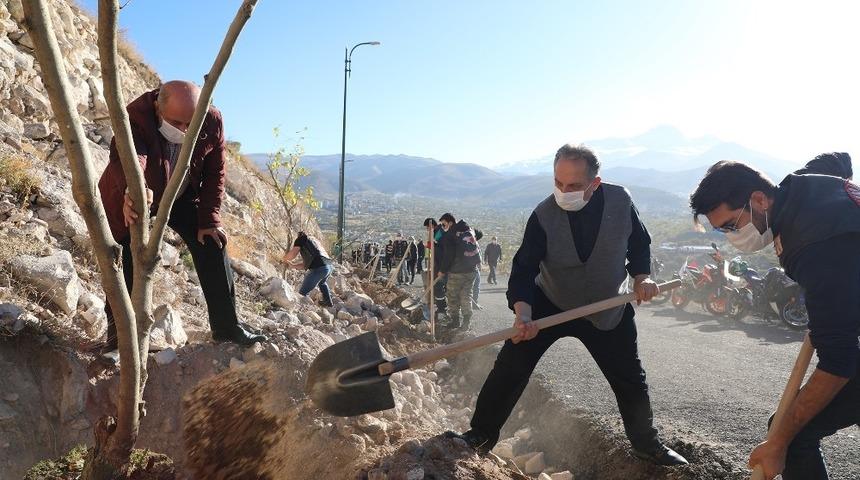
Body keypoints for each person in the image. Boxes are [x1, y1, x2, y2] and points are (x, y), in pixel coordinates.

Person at [448, 144, 687, 466]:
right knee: (510, 367)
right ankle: (480, 434)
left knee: (629, 377)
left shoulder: (620, 201)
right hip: (550, 302)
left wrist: (642, 279)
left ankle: (646, 444)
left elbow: (639, 243)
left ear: (595, 183)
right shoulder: (543, 215)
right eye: (558, 183)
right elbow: (523, 269)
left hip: (608, 307)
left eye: (574, 186)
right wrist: (524, 315)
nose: (564, 191)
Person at [689, 153, 858, 480]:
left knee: (790, 434)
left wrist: (777, 442)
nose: (730, 236)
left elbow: (839, 361)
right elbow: (839, 159)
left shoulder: (816, 244)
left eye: (730, 225)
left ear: (759, 199)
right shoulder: (798, 189)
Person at [97, 80, 265, 353]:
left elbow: (215, 170)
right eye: (177, 122)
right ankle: (120, 344)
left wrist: (209, 219)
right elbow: (128, 157)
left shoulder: (211, 120)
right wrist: (134, 189)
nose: (185, 131)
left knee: (212, 242)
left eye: (191, 125)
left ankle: (227, 328)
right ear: (157, 107)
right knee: (125, 260)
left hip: (181, 193)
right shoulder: (135, 115)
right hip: (134, 194)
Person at [437, 213, 481, 330]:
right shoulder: (468, 229)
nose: (443, 226)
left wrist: (442, 270)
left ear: (450, 222)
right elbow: (480, 233)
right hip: (472, 270)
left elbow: (448, 256)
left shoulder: (450, 235)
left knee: (452, 296)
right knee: (466, 295)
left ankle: (455, 321)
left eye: (444, 224)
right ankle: (466, 322)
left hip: (456, 272)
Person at [283, 231, 334, 308]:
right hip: (329, 267)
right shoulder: (314, 242)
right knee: (322, 283)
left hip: (319, 269)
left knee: (302, 293)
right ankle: (328, 302)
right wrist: (293, 266)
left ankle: (301, 309)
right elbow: (305, 265)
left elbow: (293, 254)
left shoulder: (301, 239)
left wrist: (283, 259)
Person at [424, 217, 447, 319]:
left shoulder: (439, 232)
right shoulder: (438, 232)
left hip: (442, 264)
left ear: (431, 226)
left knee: (438, 286)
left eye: (427, 228)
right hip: (439, 263)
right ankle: (441, 307)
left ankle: (442, 309)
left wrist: (430, 244)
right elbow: (431, 246)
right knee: (440, 287)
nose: (427, 230)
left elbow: (436, 247)